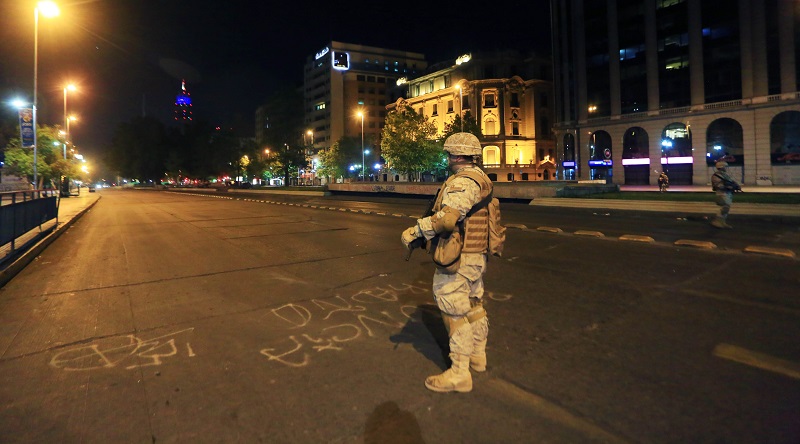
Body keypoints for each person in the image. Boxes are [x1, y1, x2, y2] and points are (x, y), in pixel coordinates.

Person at [401, 132, 493, 393]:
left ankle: (459, 373)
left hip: (459, 257)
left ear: (457, 155)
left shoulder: (462, 182)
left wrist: (416, 231)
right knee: (474, 304)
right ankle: (477, 356)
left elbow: (447, 220)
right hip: (475, 256)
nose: (448, 159)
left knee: (454, 311)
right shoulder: (481, 177)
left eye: (449, 154)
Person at [710, 161, 741, 229]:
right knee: (725, 208)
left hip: (727, 193)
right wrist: (730, 187)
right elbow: (718, 186)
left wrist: (736, 185)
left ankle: (722, 222)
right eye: (725, 167)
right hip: (721, 193)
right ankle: (717, 222)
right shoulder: (716, 175)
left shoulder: (724, 174)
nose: (726, 168)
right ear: (722, 167)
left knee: (726, 208)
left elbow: (731, 181)